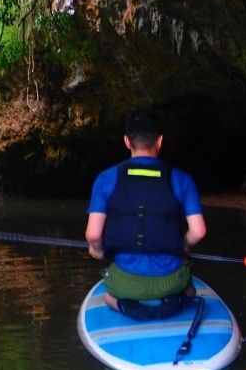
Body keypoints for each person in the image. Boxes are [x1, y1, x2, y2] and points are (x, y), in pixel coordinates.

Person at [85, 109, 206, 321]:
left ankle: (122, 304)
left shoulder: (106, 179)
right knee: (191, 290)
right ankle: (176, 301)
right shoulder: (182, 179)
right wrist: (184, 246)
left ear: (126, 141)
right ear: (159, 141)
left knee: (108, 296)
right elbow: (199, 231)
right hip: (171, 281)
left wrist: (97, 250)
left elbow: (93, 235)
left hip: (125, 283)